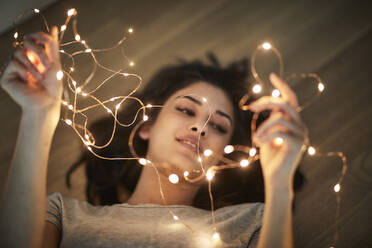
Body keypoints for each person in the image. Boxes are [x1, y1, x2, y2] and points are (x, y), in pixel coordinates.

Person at [0, 27, 307, 248]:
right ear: (145, 126)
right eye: (187, 110)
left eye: (217, 127)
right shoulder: (64, 215)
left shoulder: (250, 222)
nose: (200, 128)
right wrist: (38, 115)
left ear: (225, 155)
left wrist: (279, 183)